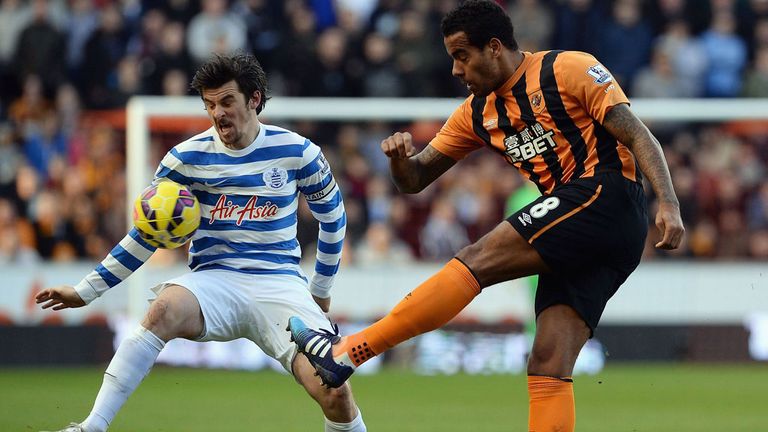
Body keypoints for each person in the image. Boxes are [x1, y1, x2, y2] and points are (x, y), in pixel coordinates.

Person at [287, 2, 684, 431]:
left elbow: (636, 132)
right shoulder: (476, 113)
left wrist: (668, 202)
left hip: (606, 196)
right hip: (582, 230)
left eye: (462, 55)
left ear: (494, 48)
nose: (457, 70)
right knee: (548, 361)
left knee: (477, 258)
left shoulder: (567, 69)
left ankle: (346, 354)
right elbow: (417, 178)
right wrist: (401, 162)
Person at [36, 53, 366, 432]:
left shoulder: (298, 152)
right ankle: (91, 427)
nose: (217, 113)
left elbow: (333, 218)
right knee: (162, 310)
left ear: (254, 99)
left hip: (280, 283)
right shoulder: (185, 158)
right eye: (210, 104)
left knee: (334, 389)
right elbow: (147, 235)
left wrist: (320, 290)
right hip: (213, 281)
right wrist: (86, 291)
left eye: (227, 101)